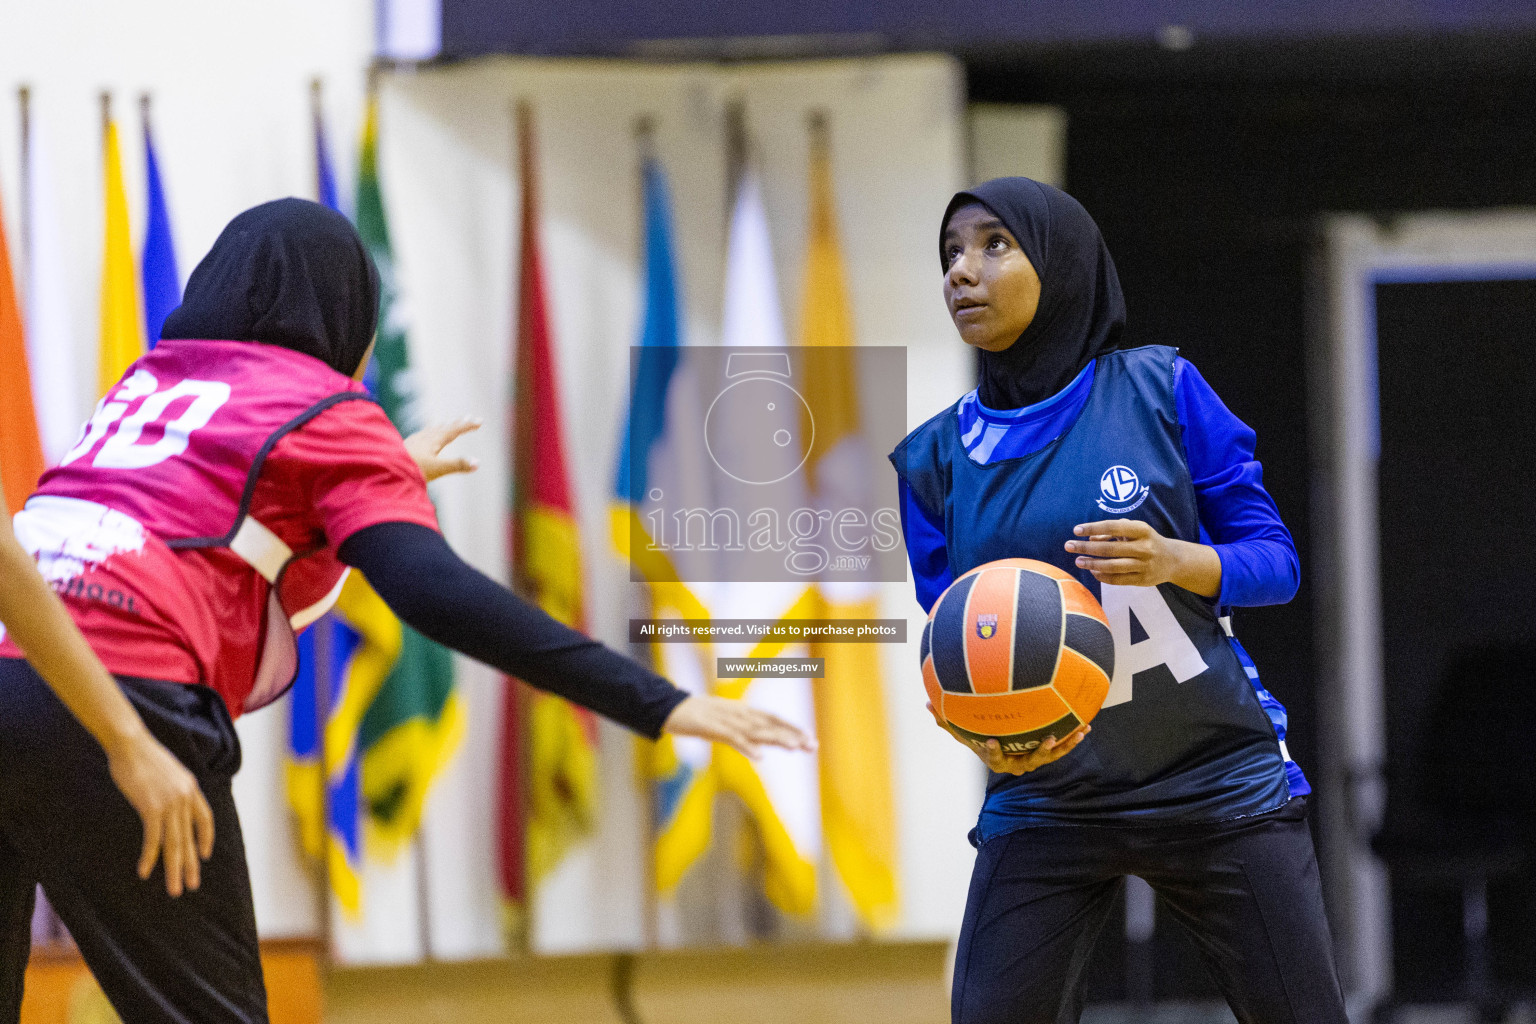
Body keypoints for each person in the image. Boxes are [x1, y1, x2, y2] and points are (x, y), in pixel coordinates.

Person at [0, 198, 813, 1024]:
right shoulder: (327, 413)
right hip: (120, 695)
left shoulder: (144, 383)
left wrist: (374, 480)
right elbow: (438, 596)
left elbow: (218, 537)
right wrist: (659, 701)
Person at [889, 177, 1346, 1024]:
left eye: (994, 244)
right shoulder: (934, 460)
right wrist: (981, 725)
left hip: (1214, 780)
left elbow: (1275, 564)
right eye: (951, 252)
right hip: (1048, 795)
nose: (962, 271)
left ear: (1060, 263)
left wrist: (1177, 558)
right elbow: (955, 648)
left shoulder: (1161, 390)